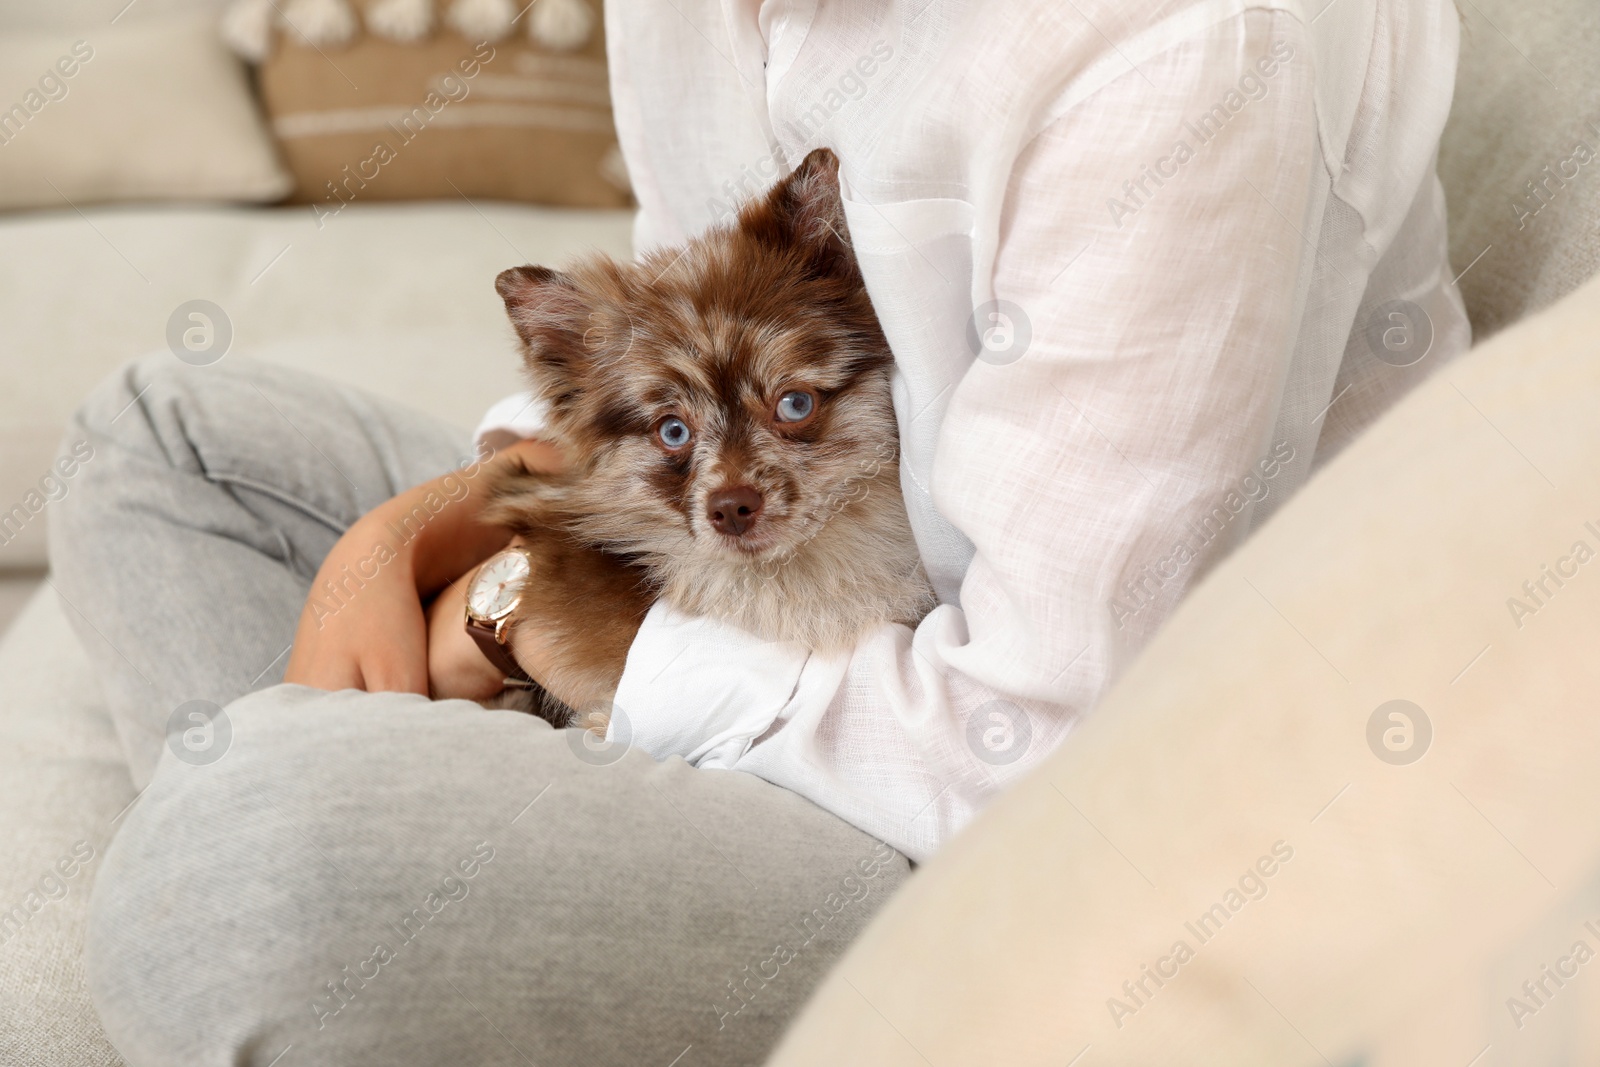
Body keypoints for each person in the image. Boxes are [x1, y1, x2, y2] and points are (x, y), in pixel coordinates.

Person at [56, 0, 1468, 1063]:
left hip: (1006, 822)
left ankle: (369, 860)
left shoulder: (1182, 53)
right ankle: (415, 880)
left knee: (234, 877)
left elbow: (1039, 749)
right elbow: (674, 326)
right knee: (157, 442)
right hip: (777, 596)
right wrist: (423, 535)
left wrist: (540, 626)